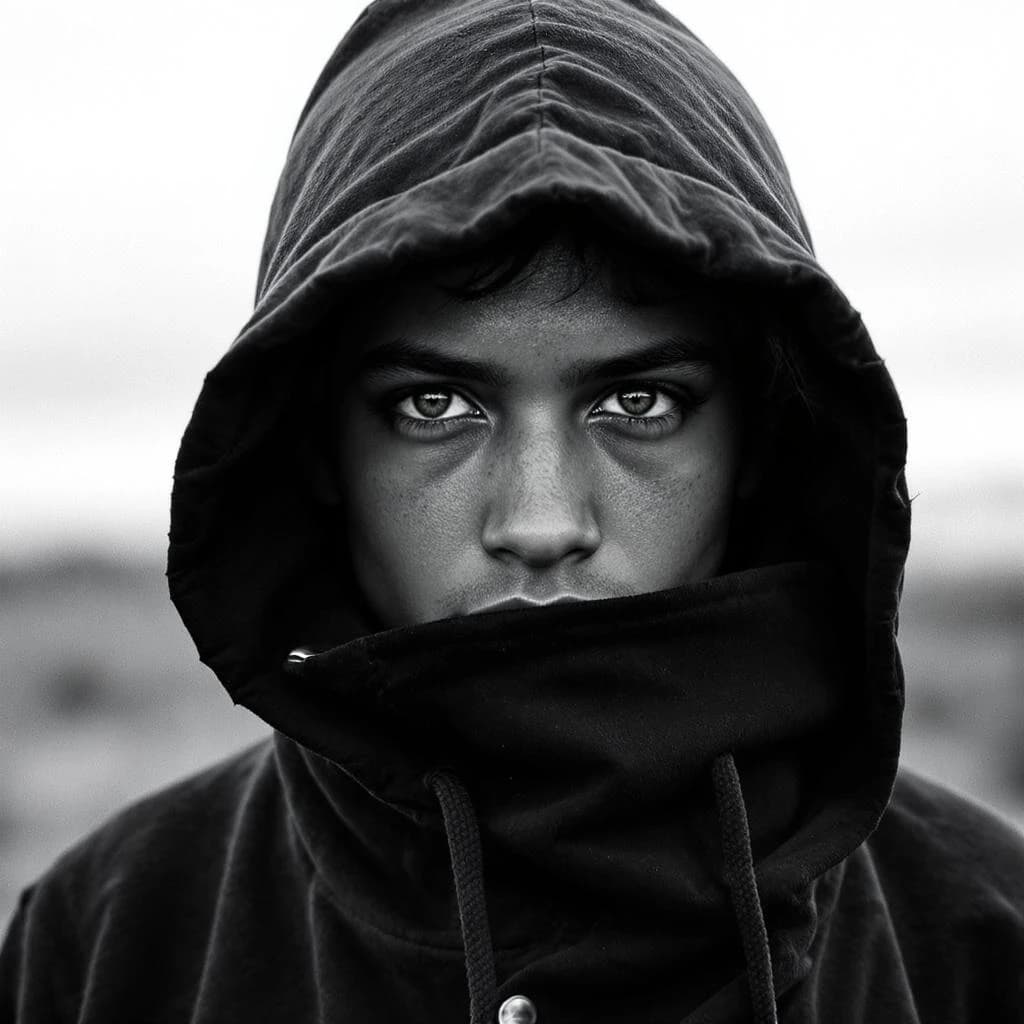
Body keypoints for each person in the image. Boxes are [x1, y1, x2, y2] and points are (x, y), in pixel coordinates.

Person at [3, 0, 1023, 1020]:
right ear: (315, 450)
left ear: (757, 445)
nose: (540, 520)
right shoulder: (108, 941)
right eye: (433, 404)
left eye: (639, 402)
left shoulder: (983, 938)